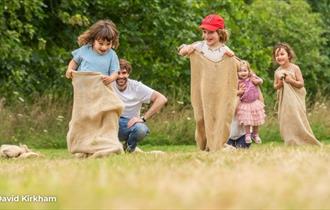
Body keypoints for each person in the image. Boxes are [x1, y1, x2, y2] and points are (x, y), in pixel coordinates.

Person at [178, 14, 239, 151]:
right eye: (204, 32)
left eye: (211, 32)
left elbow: (236, 64)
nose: (207, 36)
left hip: (219, 92)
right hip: (202, 91)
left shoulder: (225, 51)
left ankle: (216, 145)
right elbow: (182, 51)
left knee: (220, 118)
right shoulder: (200, 47)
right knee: (201, 118)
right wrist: (187, 48)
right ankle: (203, 145)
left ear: (220, 33)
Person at [112, 59, 168, 153]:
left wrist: (143, 118)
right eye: (118, 73)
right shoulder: (109, 84)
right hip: (111, 122)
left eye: (124, 73)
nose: (121, 76)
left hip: (129, 123)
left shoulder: (136, 87)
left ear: (128, 74)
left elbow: (162, 99)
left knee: (141, 129)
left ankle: (129, 149)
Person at [273, 42, 322, 146]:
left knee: (297, 118)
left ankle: (304, 139)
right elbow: (275, 86)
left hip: (295, 99)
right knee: (286, 120)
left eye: (282, 54)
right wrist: (281, 83)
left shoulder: (295, 68)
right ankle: (291, 140)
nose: (279, 57)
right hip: (285, 101)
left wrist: (290, 81)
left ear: (289, 55)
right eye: (277, 55)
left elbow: (301, 84)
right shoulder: (277, 71)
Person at [65, 19, 120, 85]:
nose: (104, 47)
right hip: (82, 86)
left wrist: (110, 78)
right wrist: (70, 70)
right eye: (100, 43)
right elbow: (75, 62)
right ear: (93, 40)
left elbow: (115, 72)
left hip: (101, 87)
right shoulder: (85, 49)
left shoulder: (112, 55)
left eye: (108, 44)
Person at [236, 60, 266, 144]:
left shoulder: (252, 78)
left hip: (254, 102)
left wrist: (258, 80)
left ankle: (255, 134)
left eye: (245, 70)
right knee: (247, 120)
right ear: (237, 73)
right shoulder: (238, 82)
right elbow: (235, 91)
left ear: (249, 71)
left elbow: (261, 81)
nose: (243, 73)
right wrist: (239, 91)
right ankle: (248, 134)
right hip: (245, 103)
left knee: (256, 119)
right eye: (240, 71)